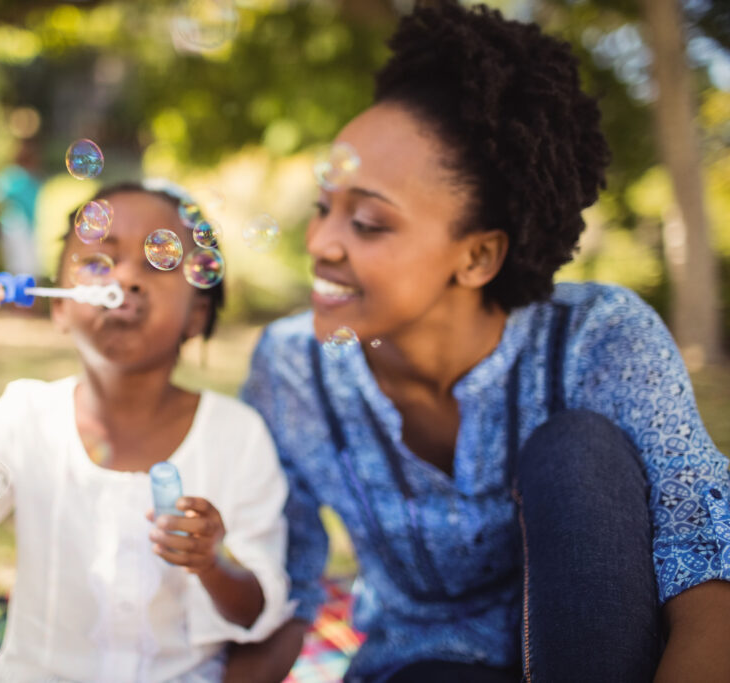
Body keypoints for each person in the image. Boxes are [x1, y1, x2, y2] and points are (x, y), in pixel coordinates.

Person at [230, 2, 730, 682]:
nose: (319, 243)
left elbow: (707, 568)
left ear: (478, 257)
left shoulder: (598, 338)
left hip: (597, 657)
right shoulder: (292, 368)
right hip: (421, 666)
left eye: (369, 222)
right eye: (324, 207)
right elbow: (282, 580)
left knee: (576, 448)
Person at [0, 181, 291, 682]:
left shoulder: (236, 435)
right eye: (99, 260)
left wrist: (210, 564)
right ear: (60, 306)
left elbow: (256, 612)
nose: (128, 277)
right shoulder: (27, 416)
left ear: (197, 313)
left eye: (158, 261)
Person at [0, 136, 43, 276]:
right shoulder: (17, 177)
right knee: (25, 268)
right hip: (18, 229)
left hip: (20, 228)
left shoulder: (17, 177)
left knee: (21, 267)